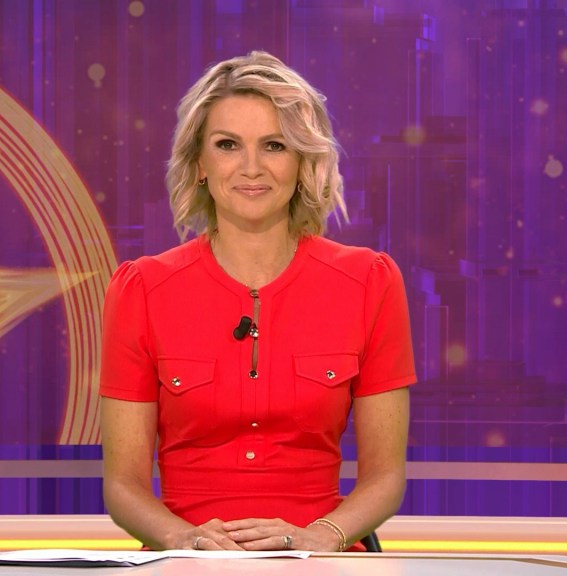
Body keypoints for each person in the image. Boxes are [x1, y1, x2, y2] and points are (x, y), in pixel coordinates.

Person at [99, 50, 416, 552]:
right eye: (228, 145)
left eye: (274, 145)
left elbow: (385, 477)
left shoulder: (369, 281)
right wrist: (183, 539)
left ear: (302, 162)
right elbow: (123, 486)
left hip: (319, 560)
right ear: (200, 164)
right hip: (186, 561)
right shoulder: (141, 288)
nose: (251, 168)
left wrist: (321, 536)